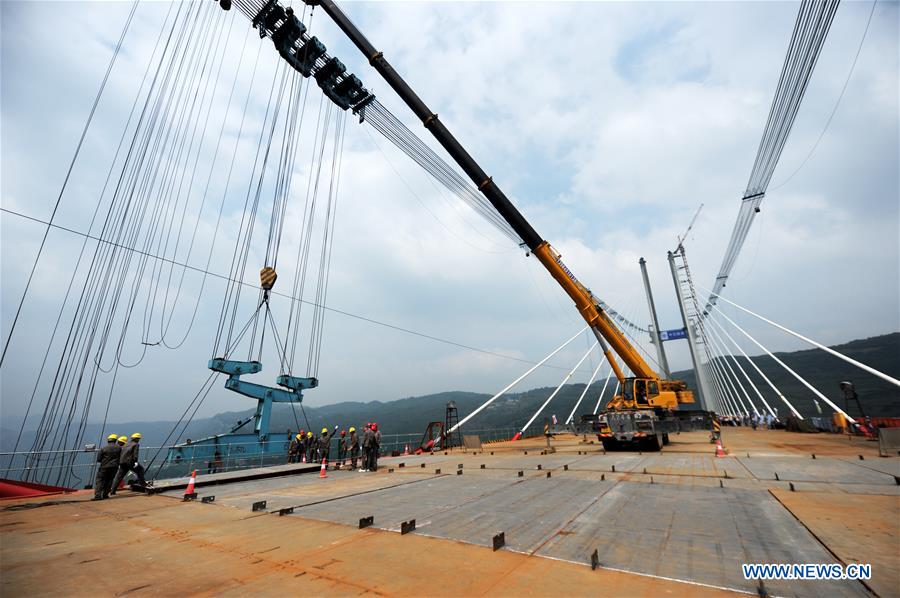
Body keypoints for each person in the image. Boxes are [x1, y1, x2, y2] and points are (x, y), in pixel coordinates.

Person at [93, 434, 122, 500]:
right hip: (114, 467)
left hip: (104, 467)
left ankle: (98, 496)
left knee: (100, 480)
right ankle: (105, 495)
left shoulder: (103, 448)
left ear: (108, 440)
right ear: (115, 440)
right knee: (109, 480)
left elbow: (99, 459)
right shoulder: (119, 448)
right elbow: (121, 457)